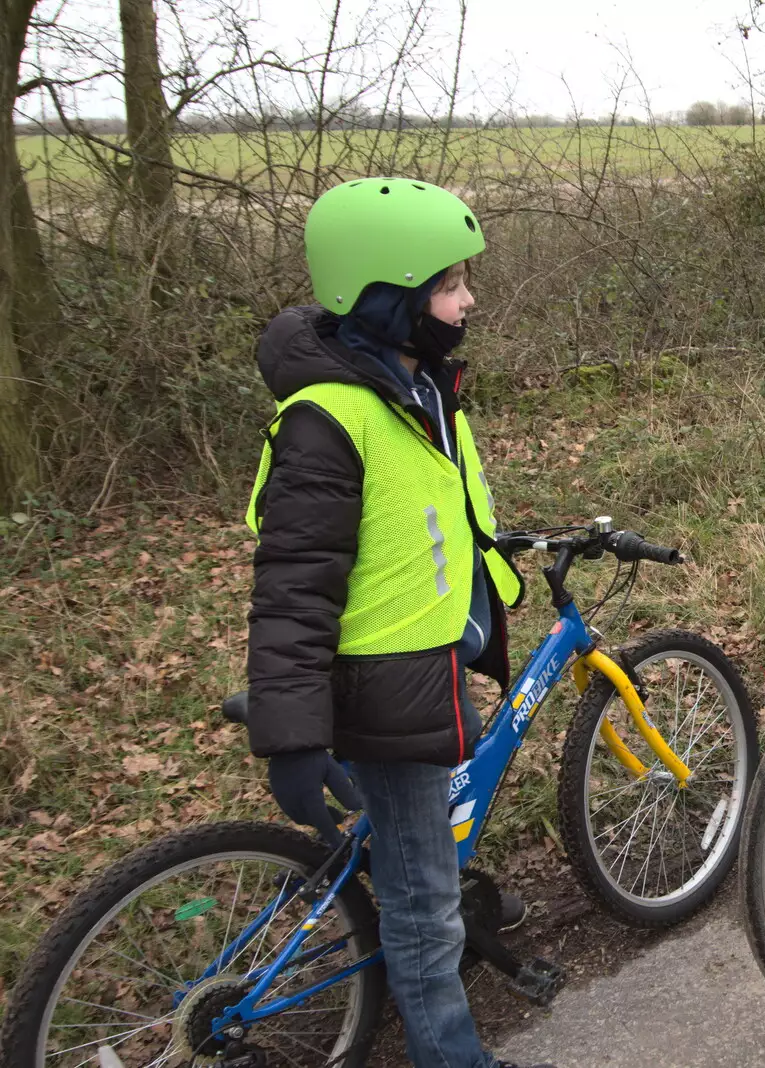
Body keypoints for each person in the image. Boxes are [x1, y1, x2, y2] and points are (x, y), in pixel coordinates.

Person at [244, 177, 551, 1068]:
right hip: (383, 690)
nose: (469, 299)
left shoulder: (411, 388)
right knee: (425, 910)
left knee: (417, 873)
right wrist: (291, 735)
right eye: (450, 284)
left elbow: (435, 518)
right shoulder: (331, 419)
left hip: (416, 664)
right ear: (389, 298)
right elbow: (294, 588)